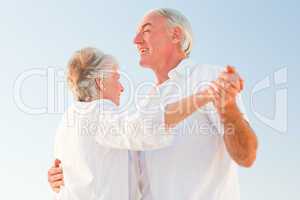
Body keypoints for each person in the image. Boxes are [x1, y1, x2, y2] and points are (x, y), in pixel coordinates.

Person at [49, 8, 258, 200]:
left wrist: (227, 107)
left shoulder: (207, 77)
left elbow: (246, 156)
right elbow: (125, 159)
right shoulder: (143, 105)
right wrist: (68, 172)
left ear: (176, 35)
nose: (135, 40)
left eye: (146, 31)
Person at [52, 47, 221, 199]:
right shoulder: (98, 113)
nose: (122, 88)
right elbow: (143, 127)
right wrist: (206, 95)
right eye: (116, 78)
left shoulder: (68, 121)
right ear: (100, 82)